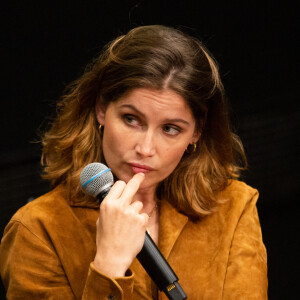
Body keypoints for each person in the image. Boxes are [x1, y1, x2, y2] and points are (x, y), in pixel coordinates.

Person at [0, 25, 268, 299]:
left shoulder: (234, 208)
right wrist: (110, 265)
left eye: (170, 129)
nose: (145, 148)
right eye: (131, 119)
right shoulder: (38, 228)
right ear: (101, 109)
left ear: (196, 133)